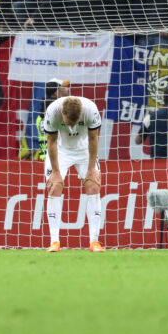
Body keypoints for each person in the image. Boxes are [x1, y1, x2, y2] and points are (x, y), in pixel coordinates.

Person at [42, 94, 104, 252]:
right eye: (68, 123)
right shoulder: (52, 111)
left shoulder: (91, 109)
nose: (71, 128)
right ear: (62, 114)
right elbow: (52, 141)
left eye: (75, 123)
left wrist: (91, 168)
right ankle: (54, 242)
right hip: (60, 150)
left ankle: (94, 242)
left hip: (84, 150)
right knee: (54, 187)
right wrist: (56, 172)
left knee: (94, 186)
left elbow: (93, 138)